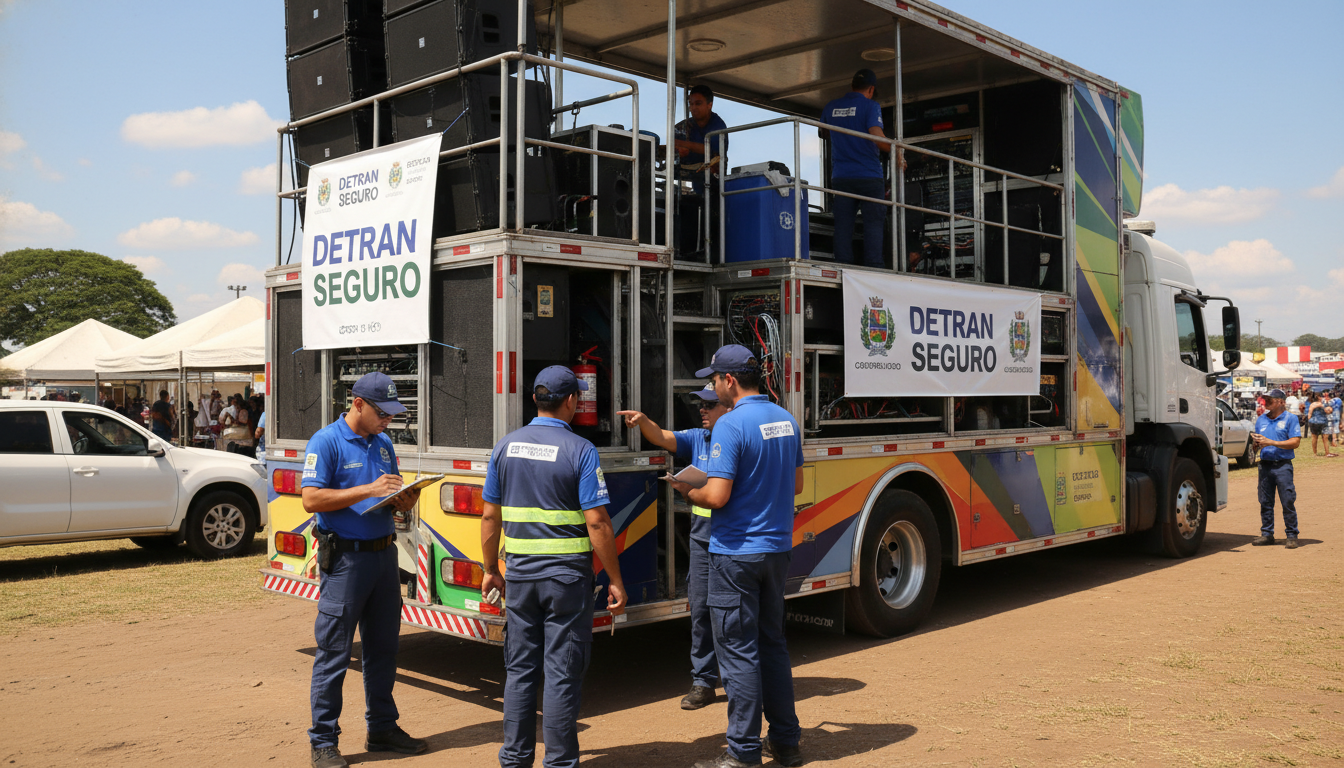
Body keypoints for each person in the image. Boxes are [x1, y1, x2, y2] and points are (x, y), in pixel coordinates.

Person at [480, 366, 628, 768]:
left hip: (521, 577)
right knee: (561, 674)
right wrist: (615, 578)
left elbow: (490, 518)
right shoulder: (580, 451)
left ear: (534, 399)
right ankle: (560, 763)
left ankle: (514, 760)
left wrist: (491, 568)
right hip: (566, 580)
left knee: (520, 671)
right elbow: (596, 521)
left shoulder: (505, 446)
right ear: (571, 402)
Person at [670, 345, 804, 768]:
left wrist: (685, 489)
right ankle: (785, 743)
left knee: (739, 653)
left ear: (730, 381)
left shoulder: (730, 426)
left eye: (713, 380)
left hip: (735, 555)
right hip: (777, 550)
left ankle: (743, 753)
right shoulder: (786, 419)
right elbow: (797, 485)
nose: (711, 388)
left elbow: (717, 495)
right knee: (772, 646)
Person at [300, 371, 427, 768]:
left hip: (384, 557)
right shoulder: (327, 441)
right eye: (382, 413)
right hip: (346, 562)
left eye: (392, 414)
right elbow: (310, 499)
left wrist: (401, 500)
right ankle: (323, 741)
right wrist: (368, 490)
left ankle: (382, 728)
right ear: (357, 404)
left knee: (384, 648)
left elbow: (387, 492)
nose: (388, 421)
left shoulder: (384, 442)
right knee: (335, 652)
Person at [618, 383, 730, 711]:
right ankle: (703, 680)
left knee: (734, 613)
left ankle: (738, 678)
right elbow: (665, 437)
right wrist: (643, 421)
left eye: (710, 404)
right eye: (701, 404)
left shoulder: (737, 438)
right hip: (702, 537)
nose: (703, 410)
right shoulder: (699, 437)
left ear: (728, 407)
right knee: (701, 608)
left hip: (731, 537)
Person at [819, 68, 902, 269]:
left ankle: (842, 266)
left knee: (843, 226)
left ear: (852, 86)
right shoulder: (870, 106)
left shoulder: (831, 107)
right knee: (873, 224)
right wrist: (897, 150)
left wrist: (845, 136)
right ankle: (874, 267)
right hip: (868, 176)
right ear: (871, 89)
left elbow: (823, 132)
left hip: (842, 177)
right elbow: (877, 136)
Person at [1251, 388, 1302, 550]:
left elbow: (1295, 442)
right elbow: (1257, 445)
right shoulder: (1261, 420)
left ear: (1281, 402)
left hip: (1283, 465)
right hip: (1265, 465)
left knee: (1287, 500)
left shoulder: (1290, 419)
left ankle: (1292, 535)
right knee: (1265, 501)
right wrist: (1256, 444)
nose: (1266, 403)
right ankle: (1267, 534)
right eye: (1265, 400)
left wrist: (1271, 442)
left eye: (1270, 400)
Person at [675, 85, 729, 179]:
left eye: (698, 103)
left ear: (710, 105)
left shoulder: (718, 125)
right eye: (691, 104)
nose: (693, 107)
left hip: (712, 178)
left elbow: (710, 150)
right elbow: (673, 144)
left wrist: (684, 145)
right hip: (684, 173)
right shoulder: (682, 127)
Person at [1306, 392, 1335, 457]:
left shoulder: (1312, 404)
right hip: (1323, 422)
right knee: (1325, 438)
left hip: (1314, 422)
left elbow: (1309, 415)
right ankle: (1327, 453)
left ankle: (1315, 453)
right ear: (1319, 397)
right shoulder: (1324, 404)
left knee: (1314, 438)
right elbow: (1329, 411)